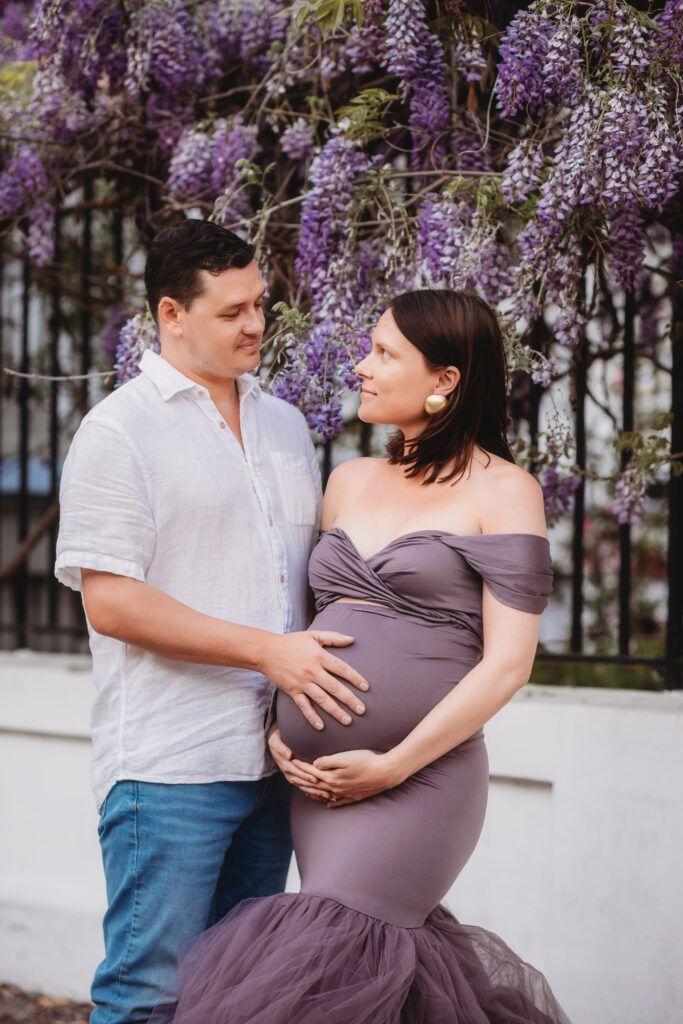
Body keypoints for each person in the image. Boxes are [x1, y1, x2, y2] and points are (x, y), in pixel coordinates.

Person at [147, 288, 571, 1024]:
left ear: (443, 381)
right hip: (320, 787)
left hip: (420, 780)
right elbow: (305, 629)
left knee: (324, 956)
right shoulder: (347, 481)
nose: (360, 367)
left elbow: (507, 665)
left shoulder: (505, 491)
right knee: (355, 982)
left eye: (383, 354)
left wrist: (392, 764)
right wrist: (280, 730)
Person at [54, 219, 370, 1024]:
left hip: (272, 766)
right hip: (169, 766)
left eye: (260, 304)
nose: (256, 324)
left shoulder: (288, 425)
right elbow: (113, 601)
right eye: (232, 311)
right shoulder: (118, 431)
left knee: (237, 997)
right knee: (147, 994)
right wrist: (269, 655)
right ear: (171, 314)